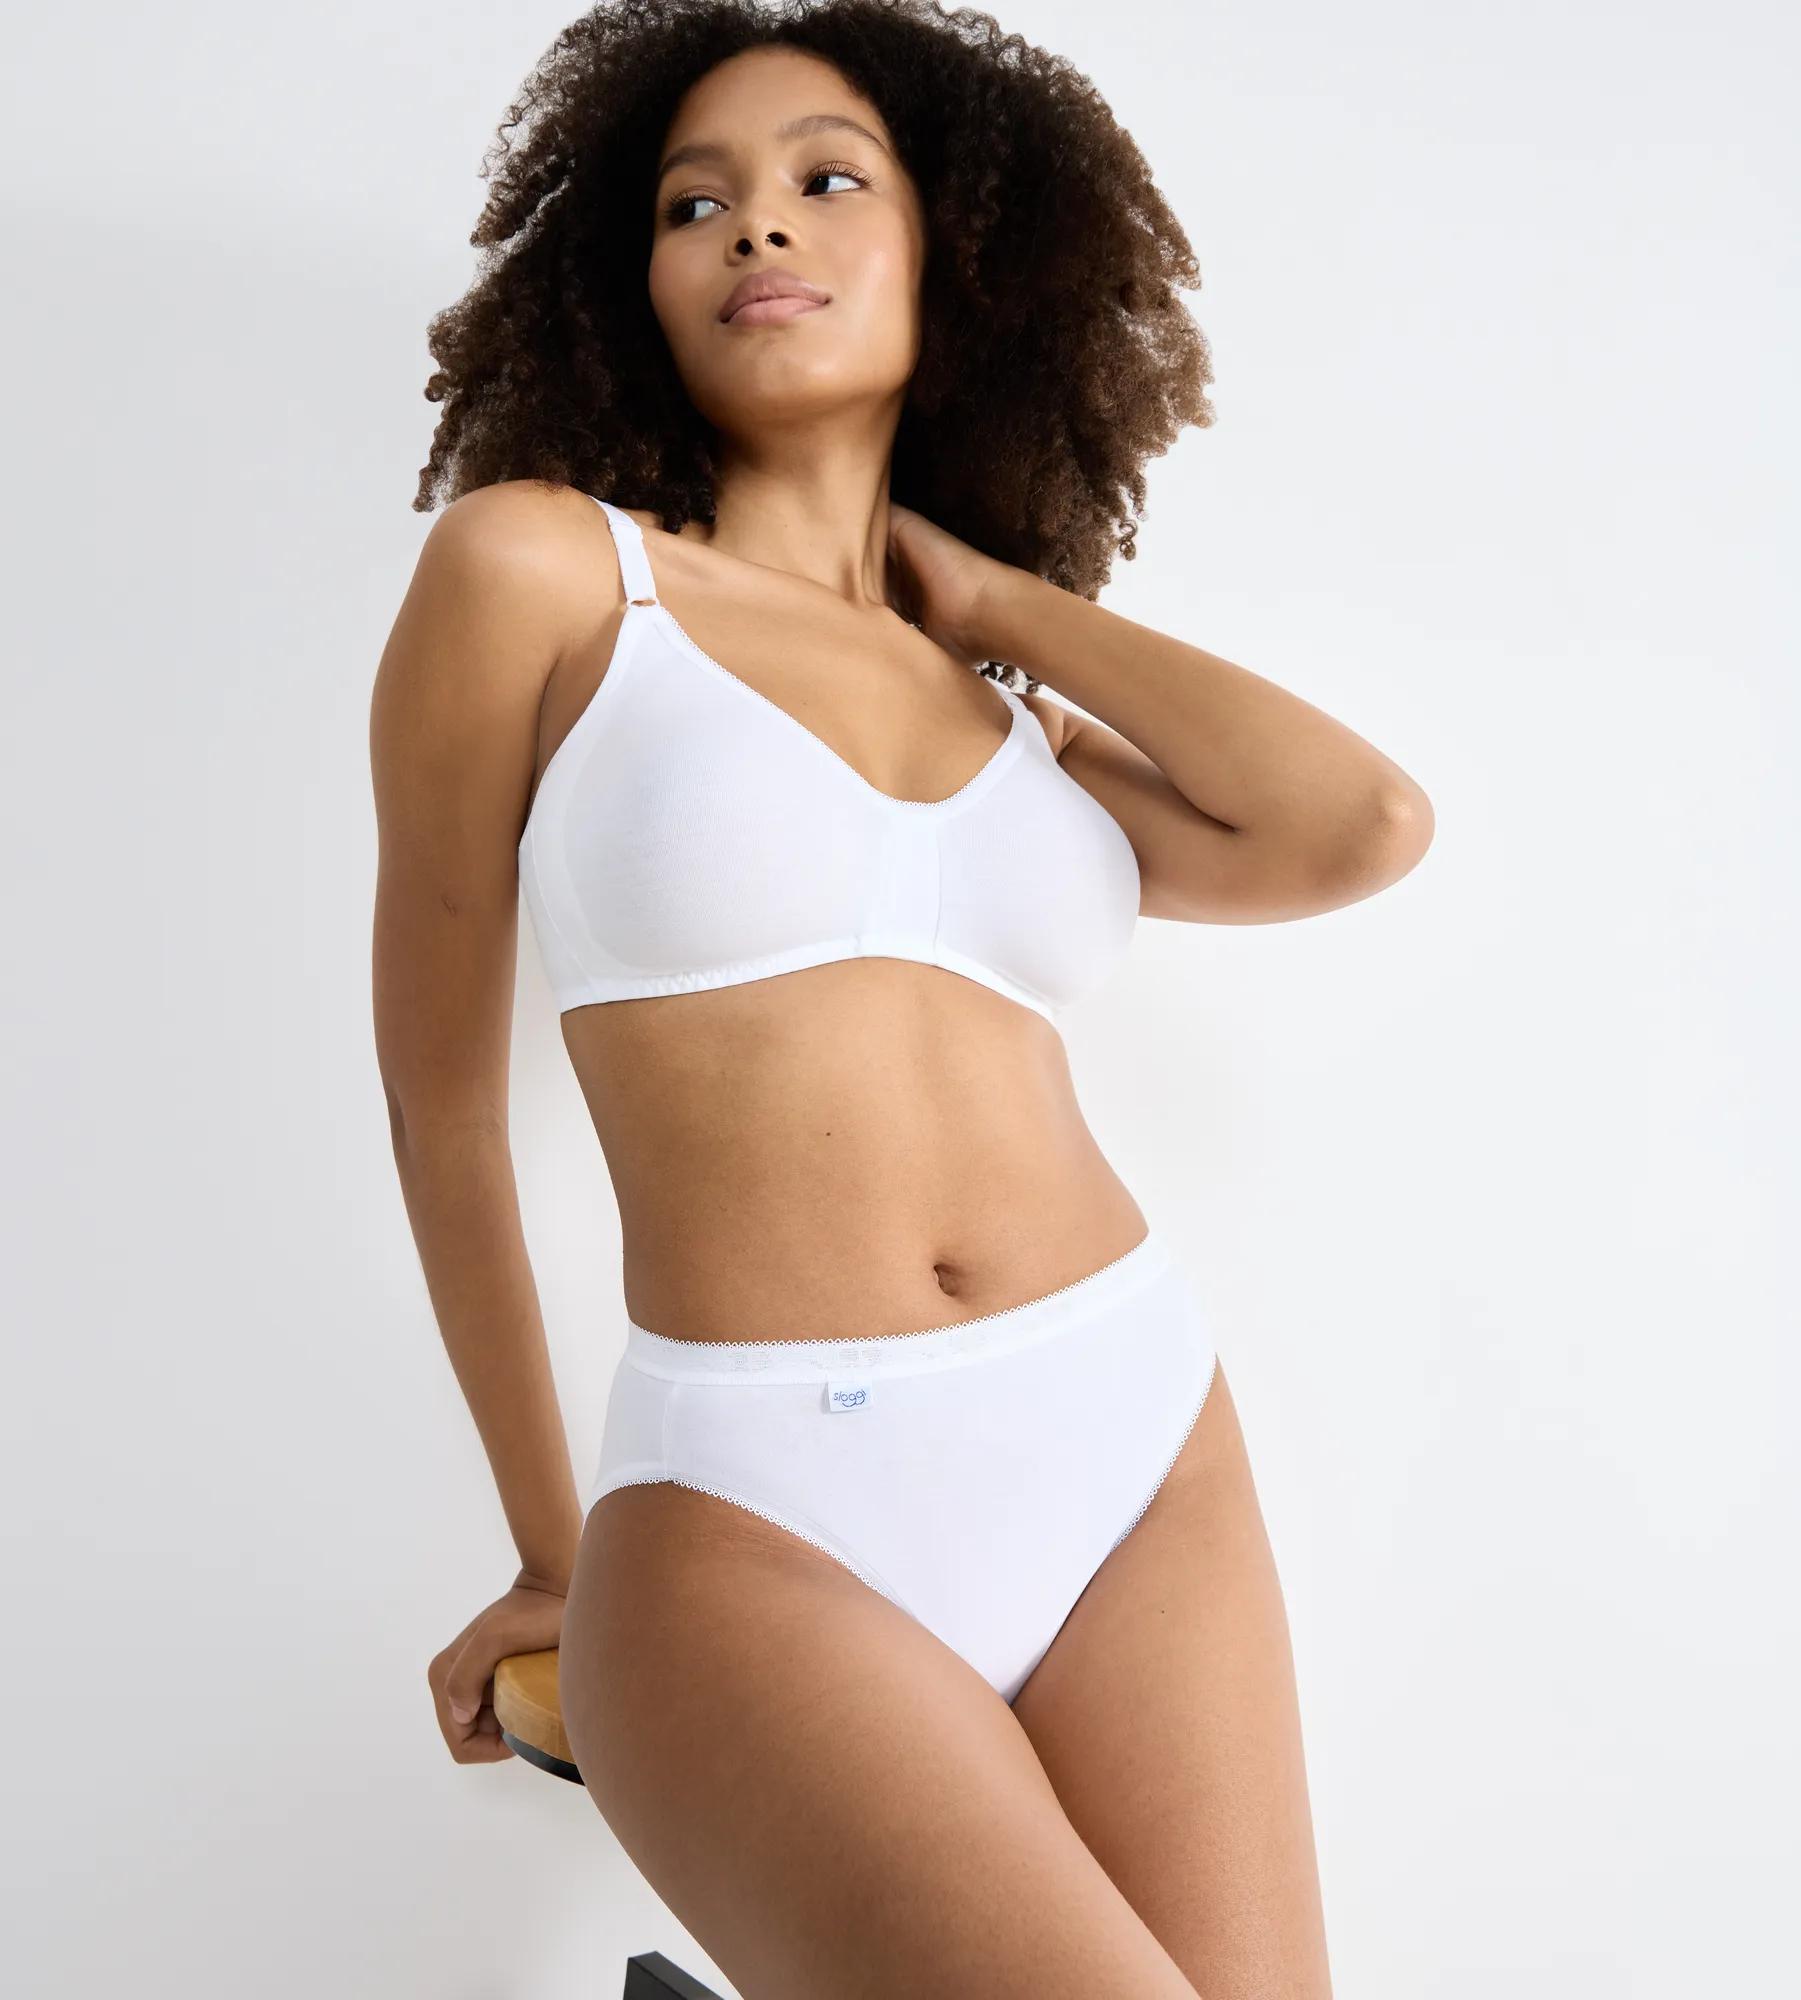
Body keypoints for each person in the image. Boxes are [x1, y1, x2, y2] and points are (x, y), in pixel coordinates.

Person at [370, 5, 1432, 1994]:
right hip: (755, 1498)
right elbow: (441, 1110)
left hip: (1131, 1433)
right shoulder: (546, 578)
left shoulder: (1014, 718)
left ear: (959, 252)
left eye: (825, 178)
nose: (757, 226)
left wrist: (1001, 602)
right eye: (694, 203)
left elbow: (1358, 824)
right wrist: (549, 1547)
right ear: (633, 287)